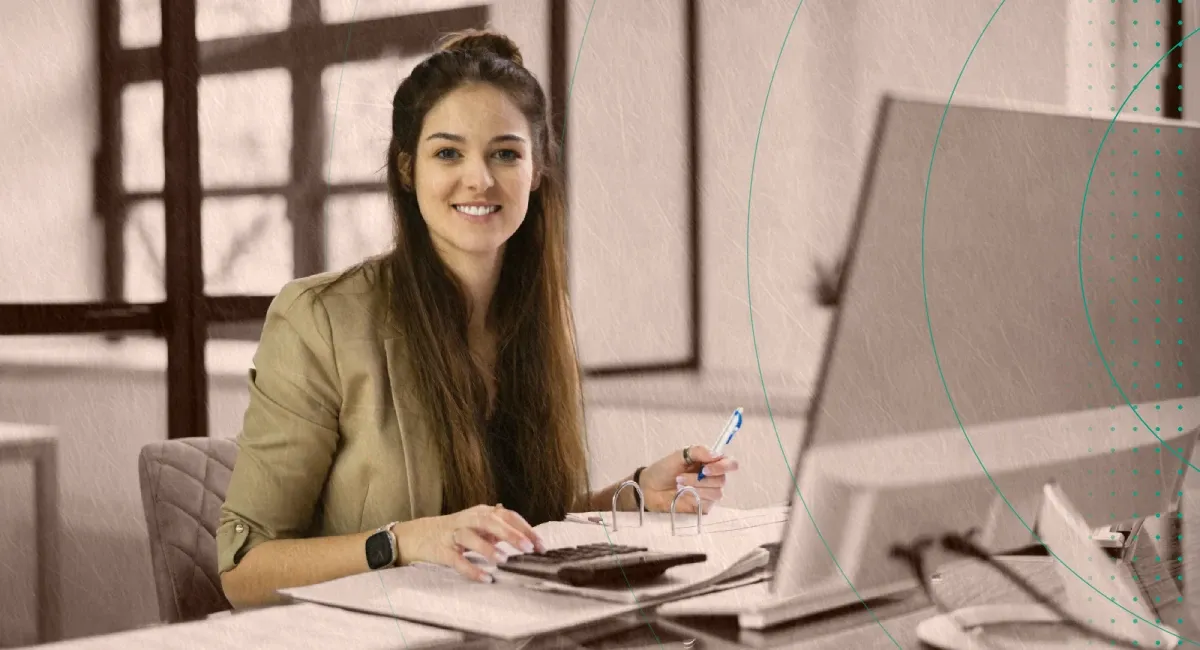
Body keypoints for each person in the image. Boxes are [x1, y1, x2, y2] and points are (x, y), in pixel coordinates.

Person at [216, 28, 740, 610]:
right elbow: (244, 573)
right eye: (448, 152)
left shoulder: (542, 317)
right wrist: (404, 541)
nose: (480, 179)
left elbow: (527, 525)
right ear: (408, 168)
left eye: (505, 153)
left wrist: (636, 493)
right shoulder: (320, 319)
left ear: (536, 170)